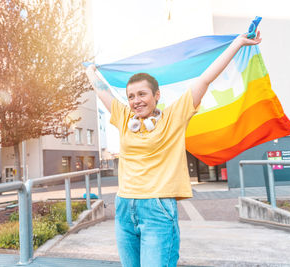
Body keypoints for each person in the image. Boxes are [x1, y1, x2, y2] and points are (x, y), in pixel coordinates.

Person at [85, 32, 261, 267]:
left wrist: (238, 43)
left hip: (157, 208)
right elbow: (101, 90)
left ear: (157, 96)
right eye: (130, 96)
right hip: (125, 206)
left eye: (142, 94)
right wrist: (90, 70)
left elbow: (205, 79)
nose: (136, 100)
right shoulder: (124, 116)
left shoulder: (175, 116)